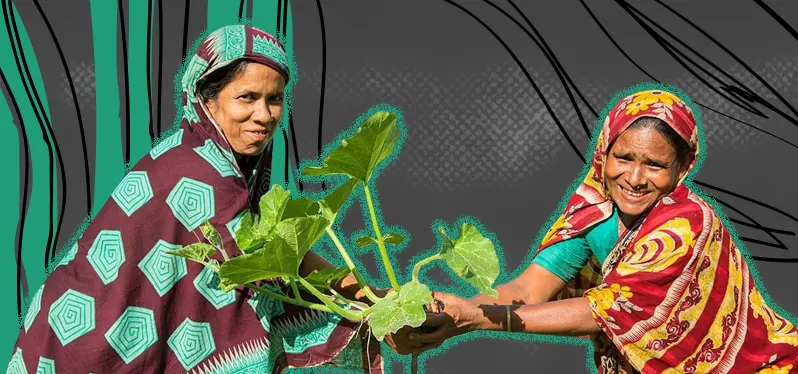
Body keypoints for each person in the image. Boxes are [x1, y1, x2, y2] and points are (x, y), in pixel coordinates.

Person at [8, 25, 384, 373]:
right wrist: (376, 309)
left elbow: (283, 252)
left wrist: (374, 301)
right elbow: (264, 272)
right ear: (207, 100)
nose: (264, 115)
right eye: (247, 97)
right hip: (87, 349)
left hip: (65, 330)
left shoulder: (197, 152)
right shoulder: (202, 172)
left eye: (274, 99)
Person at [405, 87, 798, 373]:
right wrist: (449, 314)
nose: (635, 178)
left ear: (682, 168)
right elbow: (528, 290)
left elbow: (604, 311)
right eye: (623, 158)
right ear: (603, 152)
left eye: (655, 165)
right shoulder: (594, 210)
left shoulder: (688, 223)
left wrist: (473, 318)